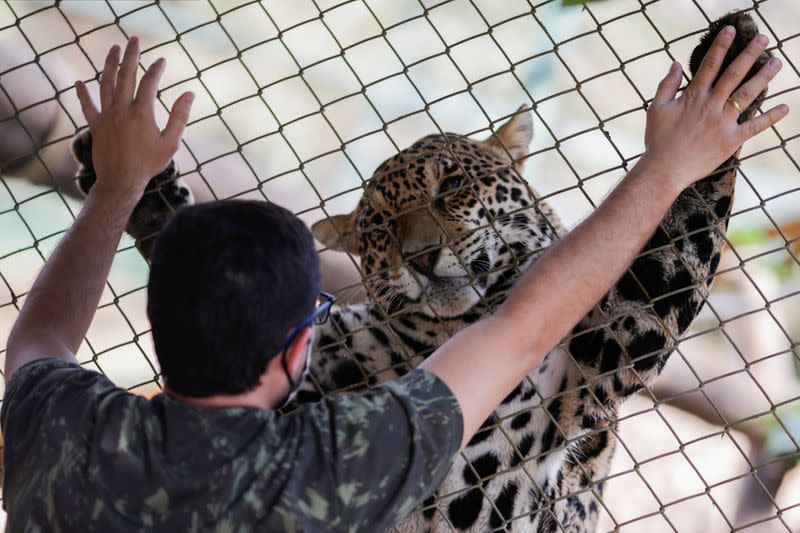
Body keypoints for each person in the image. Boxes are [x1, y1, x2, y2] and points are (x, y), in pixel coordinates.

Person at [1, 27, 787, 531]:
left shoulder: (64, 430)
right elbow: (525, 329)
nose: (419, 242)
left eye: (450, 195)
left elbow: (43, 337)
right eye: (385, 229)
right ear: (300, 344)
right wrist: (683, 168)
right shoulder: (340, 457)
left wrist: (126, 190)